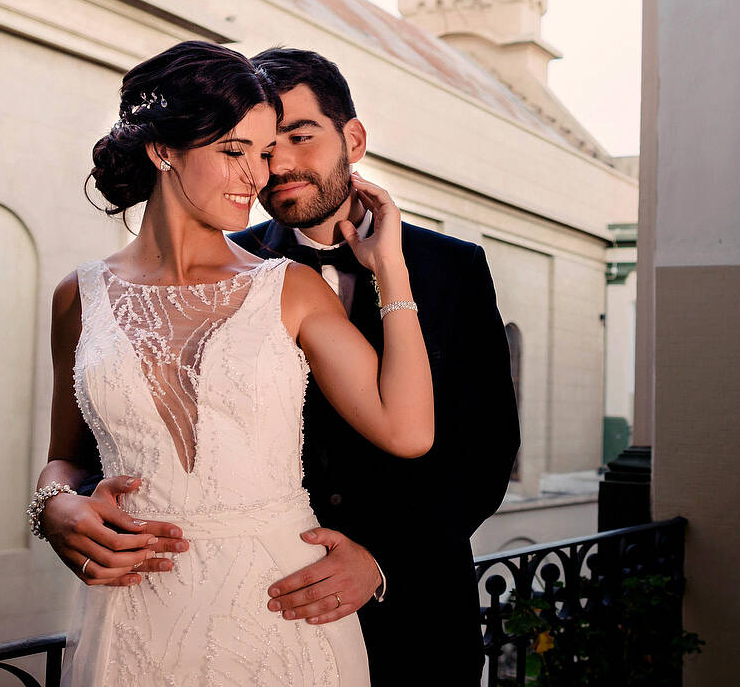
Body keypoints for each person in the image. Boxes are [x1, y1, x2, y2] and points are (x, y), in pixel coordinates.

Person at [33, 40, 433, 686]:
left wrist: (390, 270)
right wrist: (54, 507)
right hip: (137, 611)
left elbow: (407, 431)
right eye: (233, 151)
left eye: (263, 151)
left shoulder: (289, 287)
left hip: (280, 608)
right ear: (163, 150)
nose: (259, 175)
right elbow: (66, 458)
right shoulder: (80, 295)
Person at [228, 48, 520, 685]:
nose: (277, 164)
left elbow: (487, 451)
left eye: (299, 137)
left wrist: (381, 560)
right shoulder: (225, 267)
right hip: (268, 608)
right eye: (259, 146)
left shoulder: (453, 269)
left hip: (416, 619)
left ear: (351, 139)